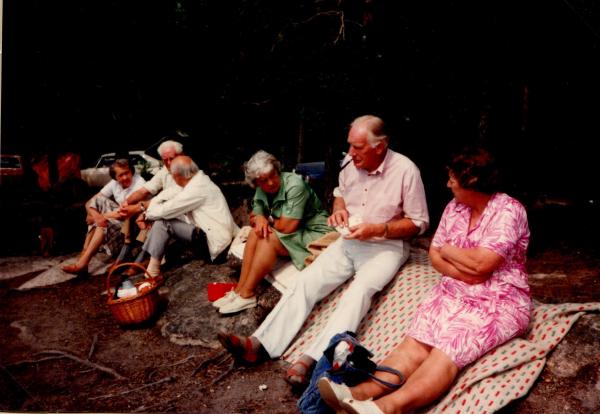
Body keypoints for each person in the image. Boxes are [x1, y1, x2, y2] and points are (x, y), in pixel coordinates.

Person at [217, 115, 429, 388]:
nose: (351, 153)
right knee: (307, 282)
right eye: (350, 146)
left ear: (380, 146)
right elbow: (340, 192)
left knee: (359, 291)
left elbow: (419, 223)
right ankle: (258, 344)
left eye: (358, 147)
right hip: (349, 240)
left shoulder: (405, 170)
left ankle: (311, 359)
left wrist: (379, 229)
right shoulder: (351, 163)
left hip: (386, 246)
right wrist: (339, 209)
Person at [317, 147, 532, 414]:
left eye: (452, 179)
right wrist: (466, 271)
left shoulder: (508, 210)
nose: (448, 184)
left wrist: (452, 252)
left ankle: (387, 407)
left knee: (448, 348)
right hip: (454, 291)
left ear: (472, 183)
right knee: (415, 342)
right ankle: (359, 394)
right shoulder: (455, 207)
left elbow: (483, 263)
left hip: (500, 300)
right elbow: (435, 255)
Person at [214, 150, 335, 314]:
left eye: (272, 175)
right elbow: (256, 211)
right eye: (263, 181)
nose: (270, 183)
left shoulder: (294, 185)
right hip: (296, 233)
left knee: (267, 237)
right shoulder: (261, 188)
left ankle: (248, 294)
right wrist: (259, 218)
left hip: (315, 233)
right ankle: (239, 290)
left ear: (277, 170)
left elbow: (286, 227)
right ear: (256, 183)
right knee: (254, 233)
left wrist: (265, 219)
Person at [135, 155, 239, 277]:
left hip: (218, 249)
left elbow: (166, 210)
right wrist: (146, 213)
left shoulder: (196, 189)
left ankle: (152, 270)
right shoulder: (198, 180)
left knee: (163, 222)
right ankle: (152, 266)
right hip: (218, 239)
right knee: (163, 219)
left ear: (177, 176)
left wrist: (147, 215)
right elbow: (167, 195)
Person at [62, 159, 146, 275]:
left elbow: (125, 213)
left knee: (102, 224)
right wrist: (94, 215)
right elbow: (89, 203)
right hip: (119, 221)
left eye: (127, 173)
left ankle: (82, 263)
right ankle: (84, 253)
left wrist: (98, 217)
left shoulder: (139, 183)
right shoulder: (114, 183)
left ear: (131, 172)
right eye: (120, 175)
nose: (125, 177)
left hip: (133, 228)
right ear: (115, 178)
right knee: (98, 204)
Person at [115, 139, 184, 271]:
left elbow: (170, 201)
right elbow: (144, 190)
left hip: (178, 215)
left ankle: (139, 261)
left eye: (172, 158)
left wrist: (142, 210)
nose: (169, 163)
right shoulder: (165, 170)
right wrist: (126, 203)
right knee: (134, 205)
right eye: (165, 160)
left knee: (152, 217)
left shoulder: (185, 171)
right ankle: (128, 253)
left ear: (181, 156)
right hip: (164, 209)